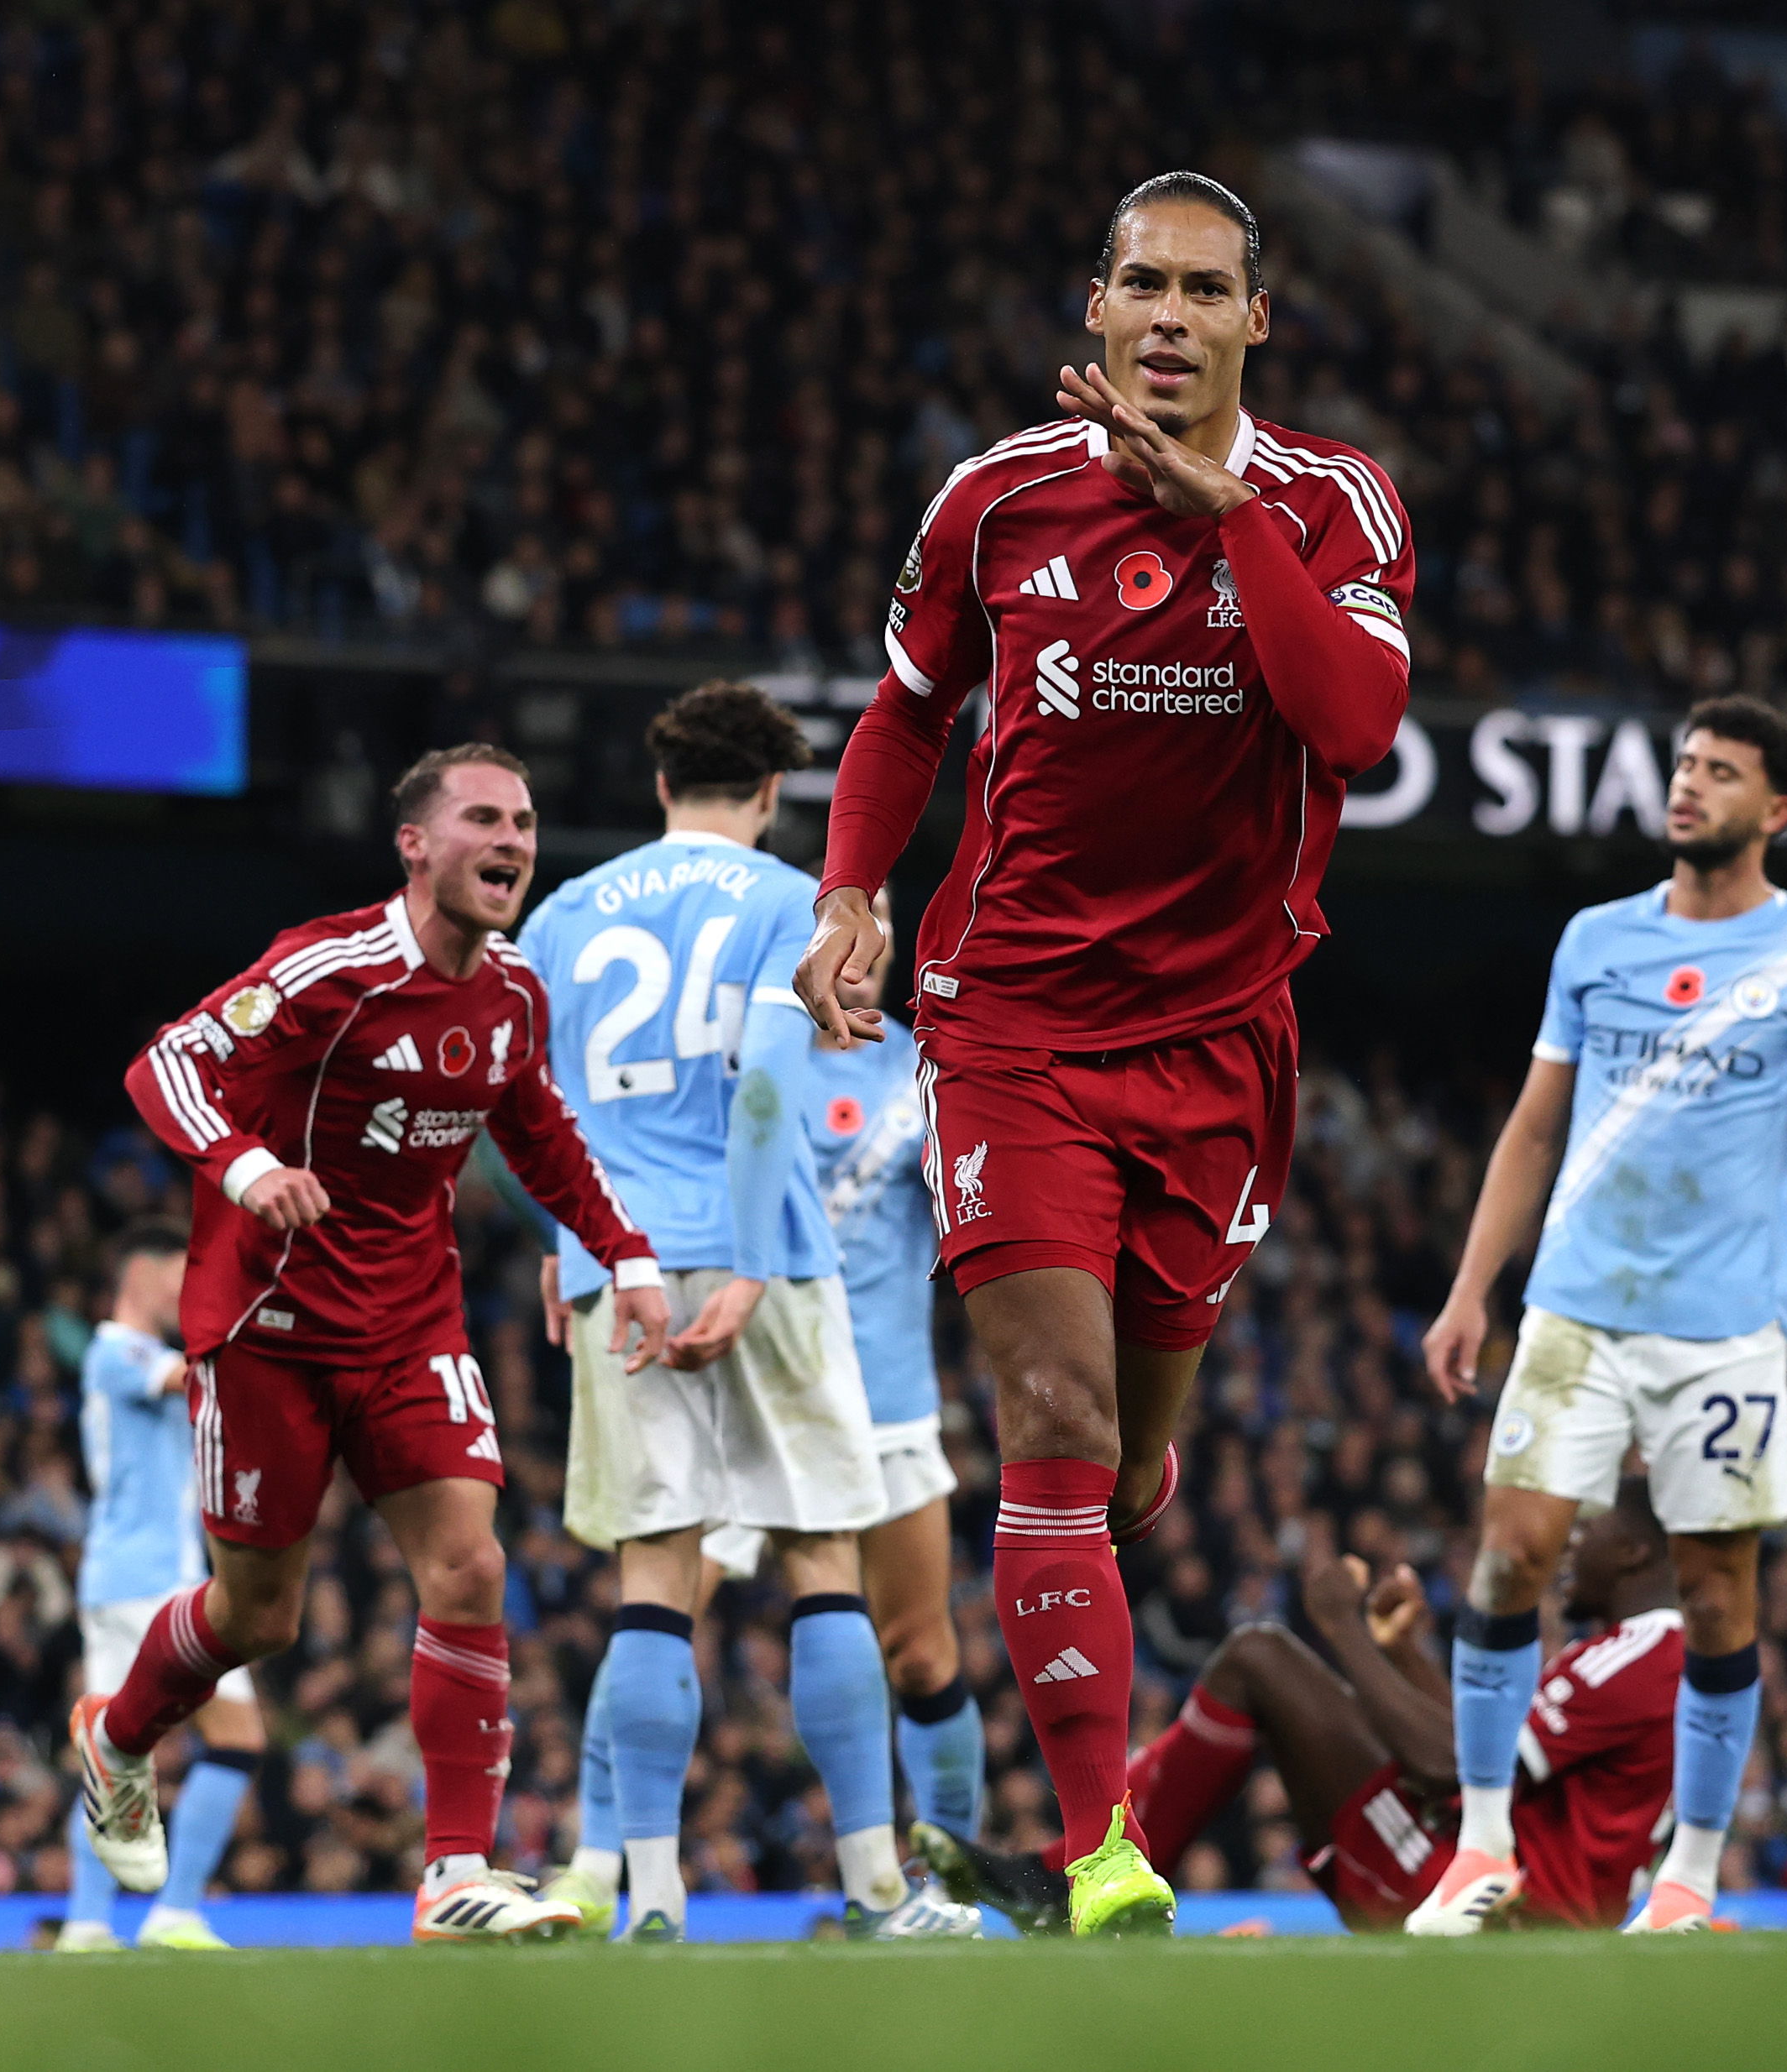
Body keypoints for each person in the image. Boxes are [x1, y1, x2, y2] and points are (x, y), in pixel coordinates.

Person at [795, 170, 1418, 1939]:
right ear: (1093, 308)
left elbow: (1355, 723)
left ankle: (1118, 1496)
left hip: (1221, 1044)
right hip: (1011, 1026)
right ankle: (1097, 1848)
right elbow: (908, 708)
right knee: (1051, 1419)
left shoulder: (1332, 503)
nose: (1167, 314)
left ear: (1253, 322)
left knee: (1134, 1448)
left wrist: (1224, 515)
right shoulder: (994, 499)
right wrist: (852, 892)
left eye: (1203, 290)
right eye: (1138, 283)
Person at [92, 744, 673, 1944]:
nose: (510, 841)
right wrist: (248, 1169)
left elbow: (539, 1130)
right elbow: (170, 1062)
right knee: (260, 1618)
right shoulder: (329, 968)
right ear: (415, 844)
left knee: (469, 1566)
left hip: (411, 1321)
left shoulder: (513, 994)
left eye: (521, 820)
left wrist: (629, 1252)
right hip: (270, 1327)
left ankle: (455, 1870)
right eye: (481, 819)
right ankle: (116, 1738)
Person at [1415, 697, 1787, 1936]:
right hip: (1576, 1312)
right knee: (1509, 1558)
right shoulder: (1595, 941)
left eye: (1720, 772)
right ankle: (1480, 1852)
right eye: (1685, 764)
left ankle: (1689, 1879)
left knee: (1715, 1597)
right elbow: (1536, 1122)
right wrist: (1471, 1286)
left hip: (1728, 1330)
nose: (1689, 786)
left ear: (1779, 810)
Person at [519, 683, 970, 1942]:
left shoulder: (560, 917)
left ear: (661, 787)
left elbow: (527, 1112)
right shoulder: (794, 905)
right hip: (760, 1257)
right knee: (824, 1558)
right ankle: (880, 1892)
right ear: (773, 798)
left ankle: (649, 1900)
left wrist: (576, 1253)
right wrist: (762, 1262)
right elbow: (770, 1083)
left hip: (629, 1270)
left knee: (655, 1581)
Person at [917, 1489, 1685, 1934]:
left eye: (1594, 1528)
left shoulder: (1643, 1653)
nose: (1572, 1542)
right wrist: (1406, 1653)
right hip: (1503, 1893)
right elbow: (1488, 1773)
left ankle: (1071, 1874)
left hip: (1498, 1915)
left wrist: (1342, 1627)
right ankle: (1076, 1871)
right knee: (1260, 1660)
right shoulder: (1644, 1657)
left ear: (1639, 1553)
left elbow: (1455, 1768)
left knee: (1262, 1659)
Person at [696, 888, 985, 1845]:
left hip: (885, 1399)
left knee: (917, 1649)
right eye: (836, 922)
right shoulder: (729, 1064)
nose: (860, 944)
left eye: (880, 923)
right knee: (661, 1616)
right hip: (739, 1392)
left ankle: (954, 1873)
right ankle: (607, 1862)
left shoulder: (929, 1070)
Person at [59, 1222, 265, 1953]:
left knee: (113, 1752)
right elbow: (193, 1377)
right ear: (141, 1275)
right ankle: (174, 1912)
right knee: (235, 1734)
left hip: (126, 1580)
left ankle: (87, 1924)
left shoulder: (128, 1354)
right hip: (151, 1582)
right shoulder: (118, 1349)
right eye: (181, 1277)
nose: (187, 1295)